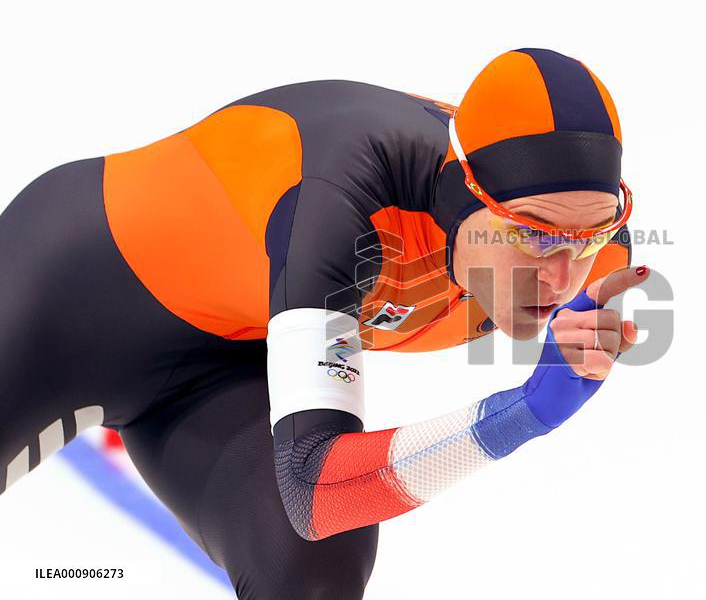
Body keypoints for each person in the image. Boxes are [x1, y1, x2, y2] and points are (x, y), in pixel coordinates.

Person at [0, 47, 647, 598]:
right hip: (70, 289)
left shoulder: (587, 246)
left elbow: (315, 521)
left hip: (220, 371)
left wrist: (578, 256)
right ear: (460, 198)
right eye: (533, 238)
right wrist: (518, 415)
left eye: (590, 237)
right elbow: (315, 489)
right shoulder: (344, 203)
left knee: (314, 571)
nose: (564, 276)